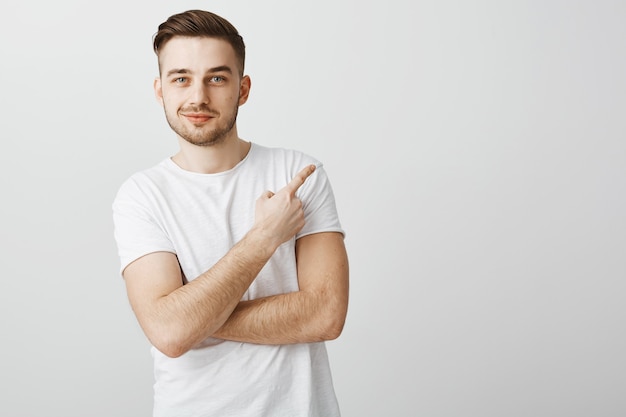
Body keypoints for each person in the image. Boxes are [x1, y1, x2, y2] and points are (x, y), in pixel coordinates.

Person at [112, 9, 349, 417]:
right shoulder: (141, 196)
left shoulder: (298, 175)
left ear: (243, 89)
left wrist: (192, 316)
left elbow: (326, 315)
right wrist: (265, 237)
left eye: (217, 78)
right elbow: (168, 333)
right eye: (181, 78)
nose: (198, 96)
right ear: (160, 90)